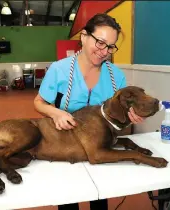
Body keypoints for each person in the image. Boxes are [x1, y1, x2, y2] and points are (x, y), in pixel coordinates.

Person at [34, 13, 144, 210]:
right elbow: (39, 102)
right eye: (100, 42)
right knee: (68, 199)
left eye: (110, 47)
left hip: (100, 146)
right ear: (84, 36)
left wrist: (131, 116)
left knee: (100, 197)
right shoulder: (59, 70)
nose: (104, 51)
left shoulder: (116, 76)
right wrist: (55, 113)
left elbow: (120, 114)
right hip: (65, 144)